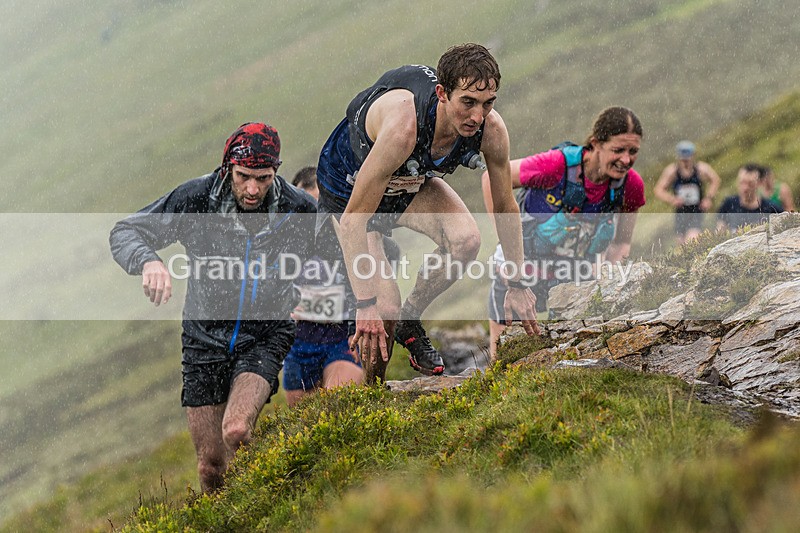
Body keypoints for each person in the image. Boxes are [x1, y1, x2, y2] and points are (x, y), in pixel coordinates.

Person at [109, 122, 316, 492]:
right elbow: (126, 230)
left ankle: (281, 493)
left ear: (276, 172)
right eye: (243, 177)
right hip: (203, 340)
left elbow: (346, 251)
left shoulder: (298, 209)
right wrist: (148, 261)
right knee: (211, 467)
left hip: (264, 334)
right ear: (227, 169)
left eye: (264, 178)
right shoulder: (197, 198)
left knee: (236, 430)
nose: (253, 189)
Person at [315, 43, 539, 382]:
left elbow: (506, 204)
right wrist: (365, 304)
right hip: (350, 188)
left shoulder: (490, 130)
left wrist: (518, 282)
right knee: (383, 308)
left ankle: (410, 317)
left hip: (408, 179)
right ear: (442, 94)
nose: (477, 116)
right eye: (468, 102)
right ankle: (373, 397)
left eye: (487, 103)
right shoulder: (403, 129)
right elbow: (353, 221)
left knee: (466, 241)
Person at [482, 106, 646, 361]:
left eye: (633, 151)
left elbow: (621, 244)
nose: (626, 159)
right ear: (596, 144)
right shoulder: (556, 165)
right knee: (504, 359)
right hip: (521, 270)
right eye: (618, 150)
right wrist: (504, 242)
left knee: (571, 359)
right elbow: (490, 179)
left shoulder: (631, 186)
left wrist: (606, 286)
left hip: (575, 278)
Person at [283, 166, 363, 406]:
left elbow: (389, 255)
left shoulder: (348, 234)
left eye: (320, 208)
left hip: (341, 338)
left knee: (336, 407)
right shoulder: (283, 240)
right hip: (298, 343)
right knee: (303, 424)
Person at [654, 140, 721, 244]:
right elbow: (658, 190)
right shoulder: (672, 171)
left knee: (692, 239)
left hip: (697, 210)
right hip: (681, 212)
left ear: (693, 156)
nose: (685, 161)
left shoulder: (701, 169)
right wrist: (672, 199)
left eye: (687, 158)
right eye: (683, 159)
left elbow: (715, 180)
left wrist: (708, 198)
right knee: (681, 244)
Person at [717, 163, 782, 231]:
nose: (745, 188)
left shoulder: (771, 208)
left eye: (750, 184)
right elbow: (720, 232)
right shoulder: (728, 204)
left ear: (759, 183)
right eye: (742, 182)